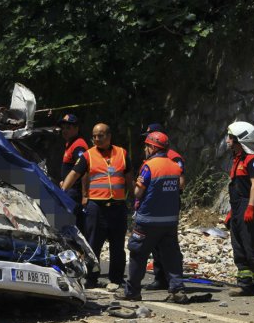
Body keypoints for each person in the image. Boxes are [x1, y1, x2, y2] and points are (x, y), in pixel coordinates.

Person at [115, 132, 187, 302]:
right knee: (171, 256)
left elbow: (138, 192)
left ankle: (132, 291)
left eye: (147, 146)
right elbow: (179, 187)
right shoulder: (174, 166)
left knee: (138, 255)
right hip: (169, 221)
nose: (145, 149)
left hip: (148, 221)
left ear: (153, 147)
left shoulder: (149, 167)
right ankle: (177, 290)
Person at [61, 123, 133, 289]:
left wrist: (136, 196)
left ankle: (116, 279)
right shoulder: (88, 155)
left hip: (118, 207)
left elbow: (129, 179)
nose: (96, 139)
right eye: (94, 136)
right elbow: (74, 174)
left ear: (109, 136)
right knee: (93, 244)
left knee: (117, 245)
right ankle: (92, 278)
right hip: (96, 208)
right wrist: (62, 191)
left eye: (100, 136)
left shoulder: (122, 153)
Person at [225, 121, 254, 300]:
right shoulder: (238, 160)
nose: (227, 141)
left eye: (231, 138)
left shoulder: (253, 161)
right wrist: (232, 212)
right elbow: (236, 188)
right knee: (239, 248)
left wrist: (250, 207)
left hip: (250, 207)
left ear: (240, 140)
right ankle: (245, 285)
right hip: (237, 208)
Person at [140, 123, 186, 291]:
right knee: (155, 245)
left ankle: (172, 279)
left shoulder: (173, 158)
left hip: (165, 205)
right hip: (154, 205)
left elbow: (180, 183)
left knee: (168, 244)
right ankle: (161, 278)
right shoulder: (152, 159)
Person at [58, 114, 89, 207]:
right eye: (63, 128)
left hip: (75, 193)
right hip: (70, 190)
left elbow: (85, 169)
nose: (64, 131)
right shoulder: (70, 143)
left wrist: (84, 195)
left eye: (68, 128)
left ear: (76, 128)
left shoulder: (78, 146)